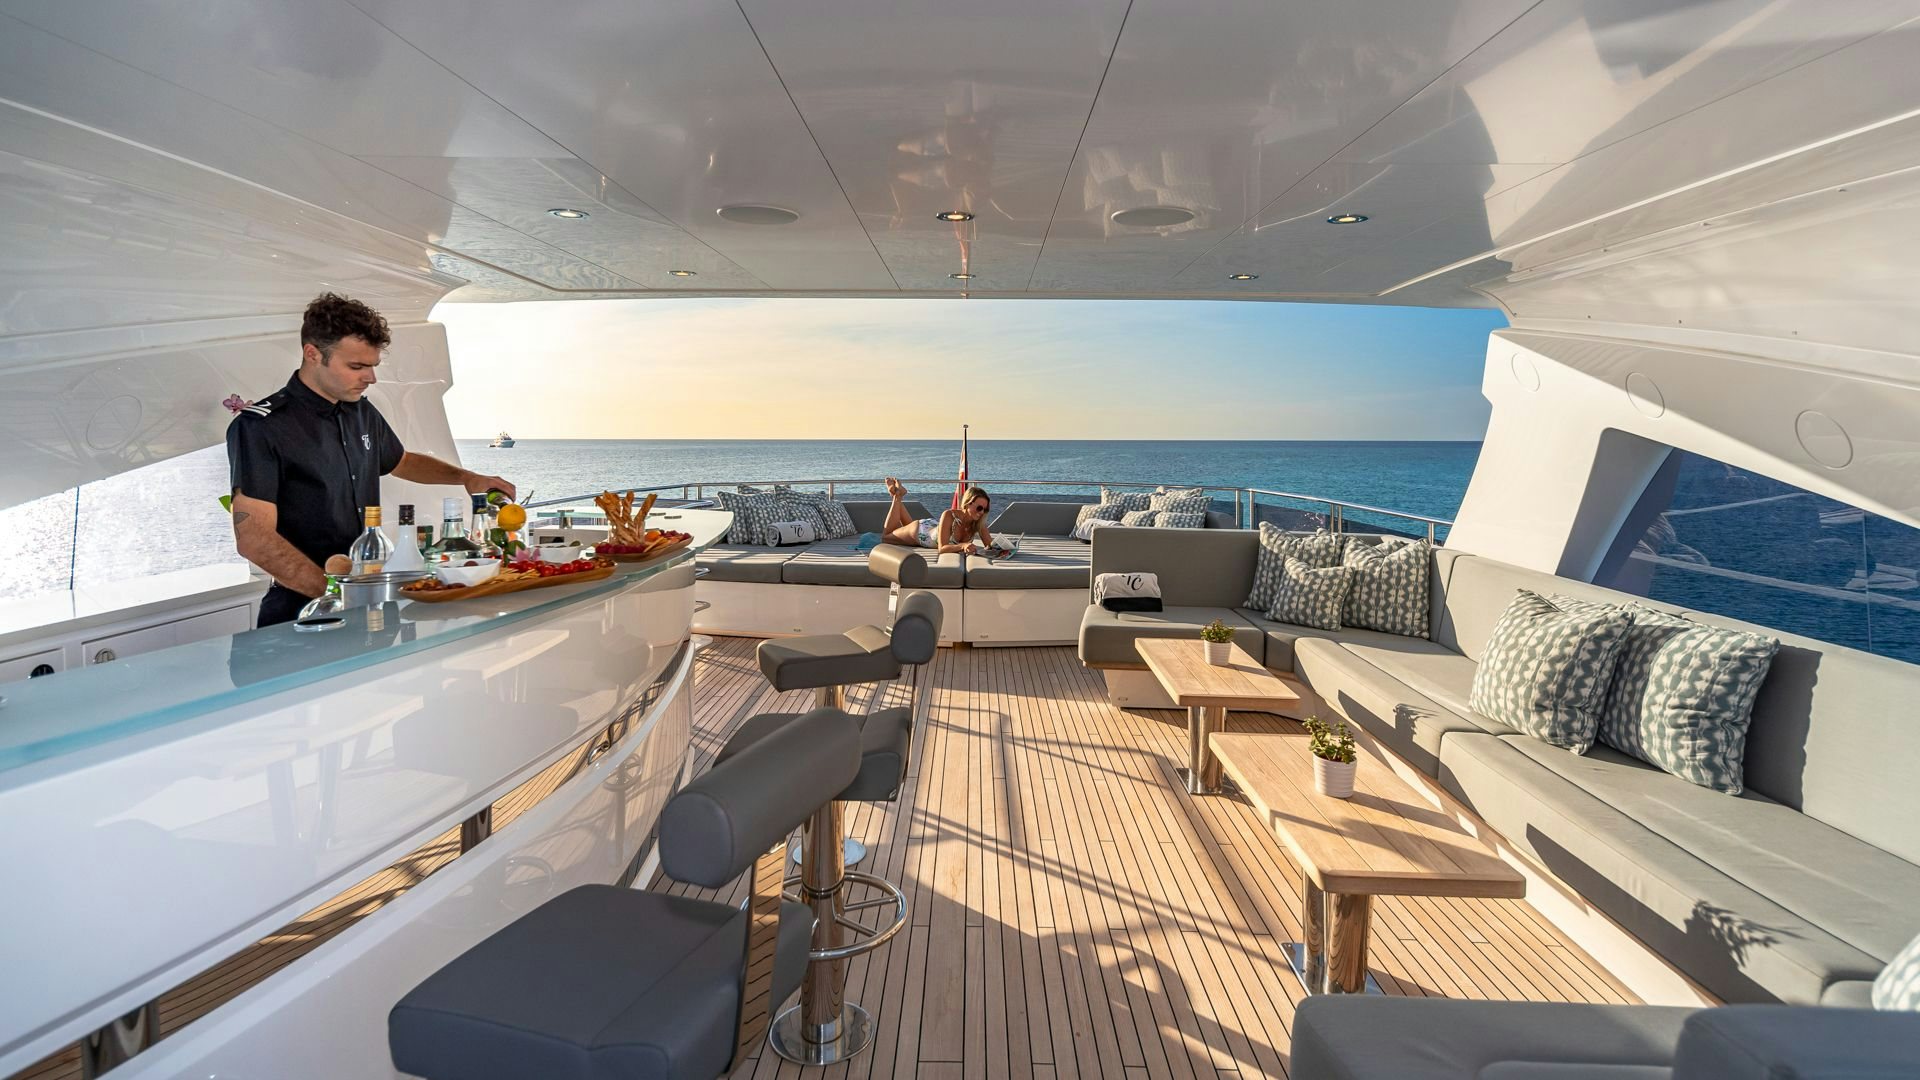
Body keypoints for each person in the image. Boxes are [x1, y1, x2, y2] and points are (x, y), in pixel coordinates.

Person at [227, 293, 515, 627]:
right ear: (312, 354)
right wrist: (334, 594)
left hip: (366, 602)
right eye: (357, 367)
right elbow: (254, 539)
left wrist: (466, 478)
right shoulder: (261, 426)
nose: (370, 378)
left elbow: (401, 460)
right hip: (302, 610)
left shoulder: (361, 411)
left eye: (372, 366)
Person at [880, 478, 996, 555]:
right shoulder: (949, 515)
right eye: (980, 508)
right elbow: (942, 548)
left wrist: (1006, 548)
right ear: (968, 503)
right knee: (885, 538)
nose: (982, 512)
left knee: (903, 527)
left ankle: (897, 492)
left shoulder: (979, 522)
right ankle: (897, 496)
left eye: (986, 509)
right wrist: (964, 545)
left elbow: (990, 546)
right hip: (921, 532)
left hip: (934, 528)